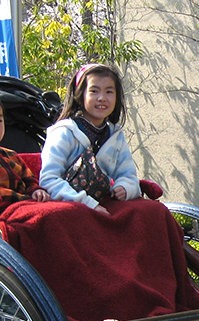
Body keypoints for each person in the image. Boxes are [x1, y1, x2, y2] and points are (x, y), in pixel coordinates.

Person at [40, 63, 145, 215]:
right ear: (80, 95)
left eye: (109, 91)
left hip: (105, 200)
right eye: (94, 91)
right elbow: (49, 179)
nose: (102, 98)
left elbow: (128, 175)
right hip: (70, 204)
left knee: (152, 212)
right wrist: (87, 204)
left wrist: (124, 187)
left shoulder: (115, 135)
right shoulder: (64, 132)